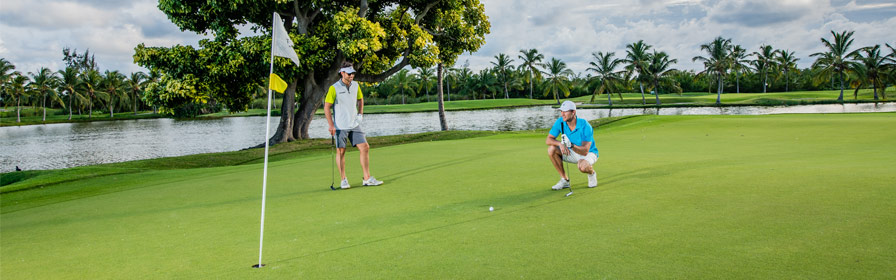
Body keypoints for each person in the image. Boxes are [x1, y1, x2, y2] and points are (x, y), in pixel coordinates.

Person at [324, 62, 384, 189]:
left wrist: (360, 114)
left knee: (365, 147)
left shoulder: (356, 85)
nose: (351, 75)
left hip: (354, 124)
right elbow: (327, 107)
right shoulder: (334, 88)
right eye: (349, 73)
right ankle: (343, 179)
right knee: (341, 152)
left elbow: (360, 99)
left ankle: (367, 178)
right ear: (342, 73)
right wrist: (331, 125)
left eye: (352, 73)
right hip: (340, 126)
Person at [545, 101, 598, 190]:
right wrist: (560, 144)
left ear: (573, 112)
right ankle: (565, 180)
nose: (562, 114)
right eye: (561, 111)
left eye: (565, 111)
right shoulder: (560, 122)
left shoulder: (584, 125)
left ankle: (591, 173)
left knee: (583, 167)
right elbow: (548, 140)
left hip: (589, 153)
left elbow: (585, 151)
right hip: (571, 152)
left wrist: (571, 145)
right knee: (551, 149)